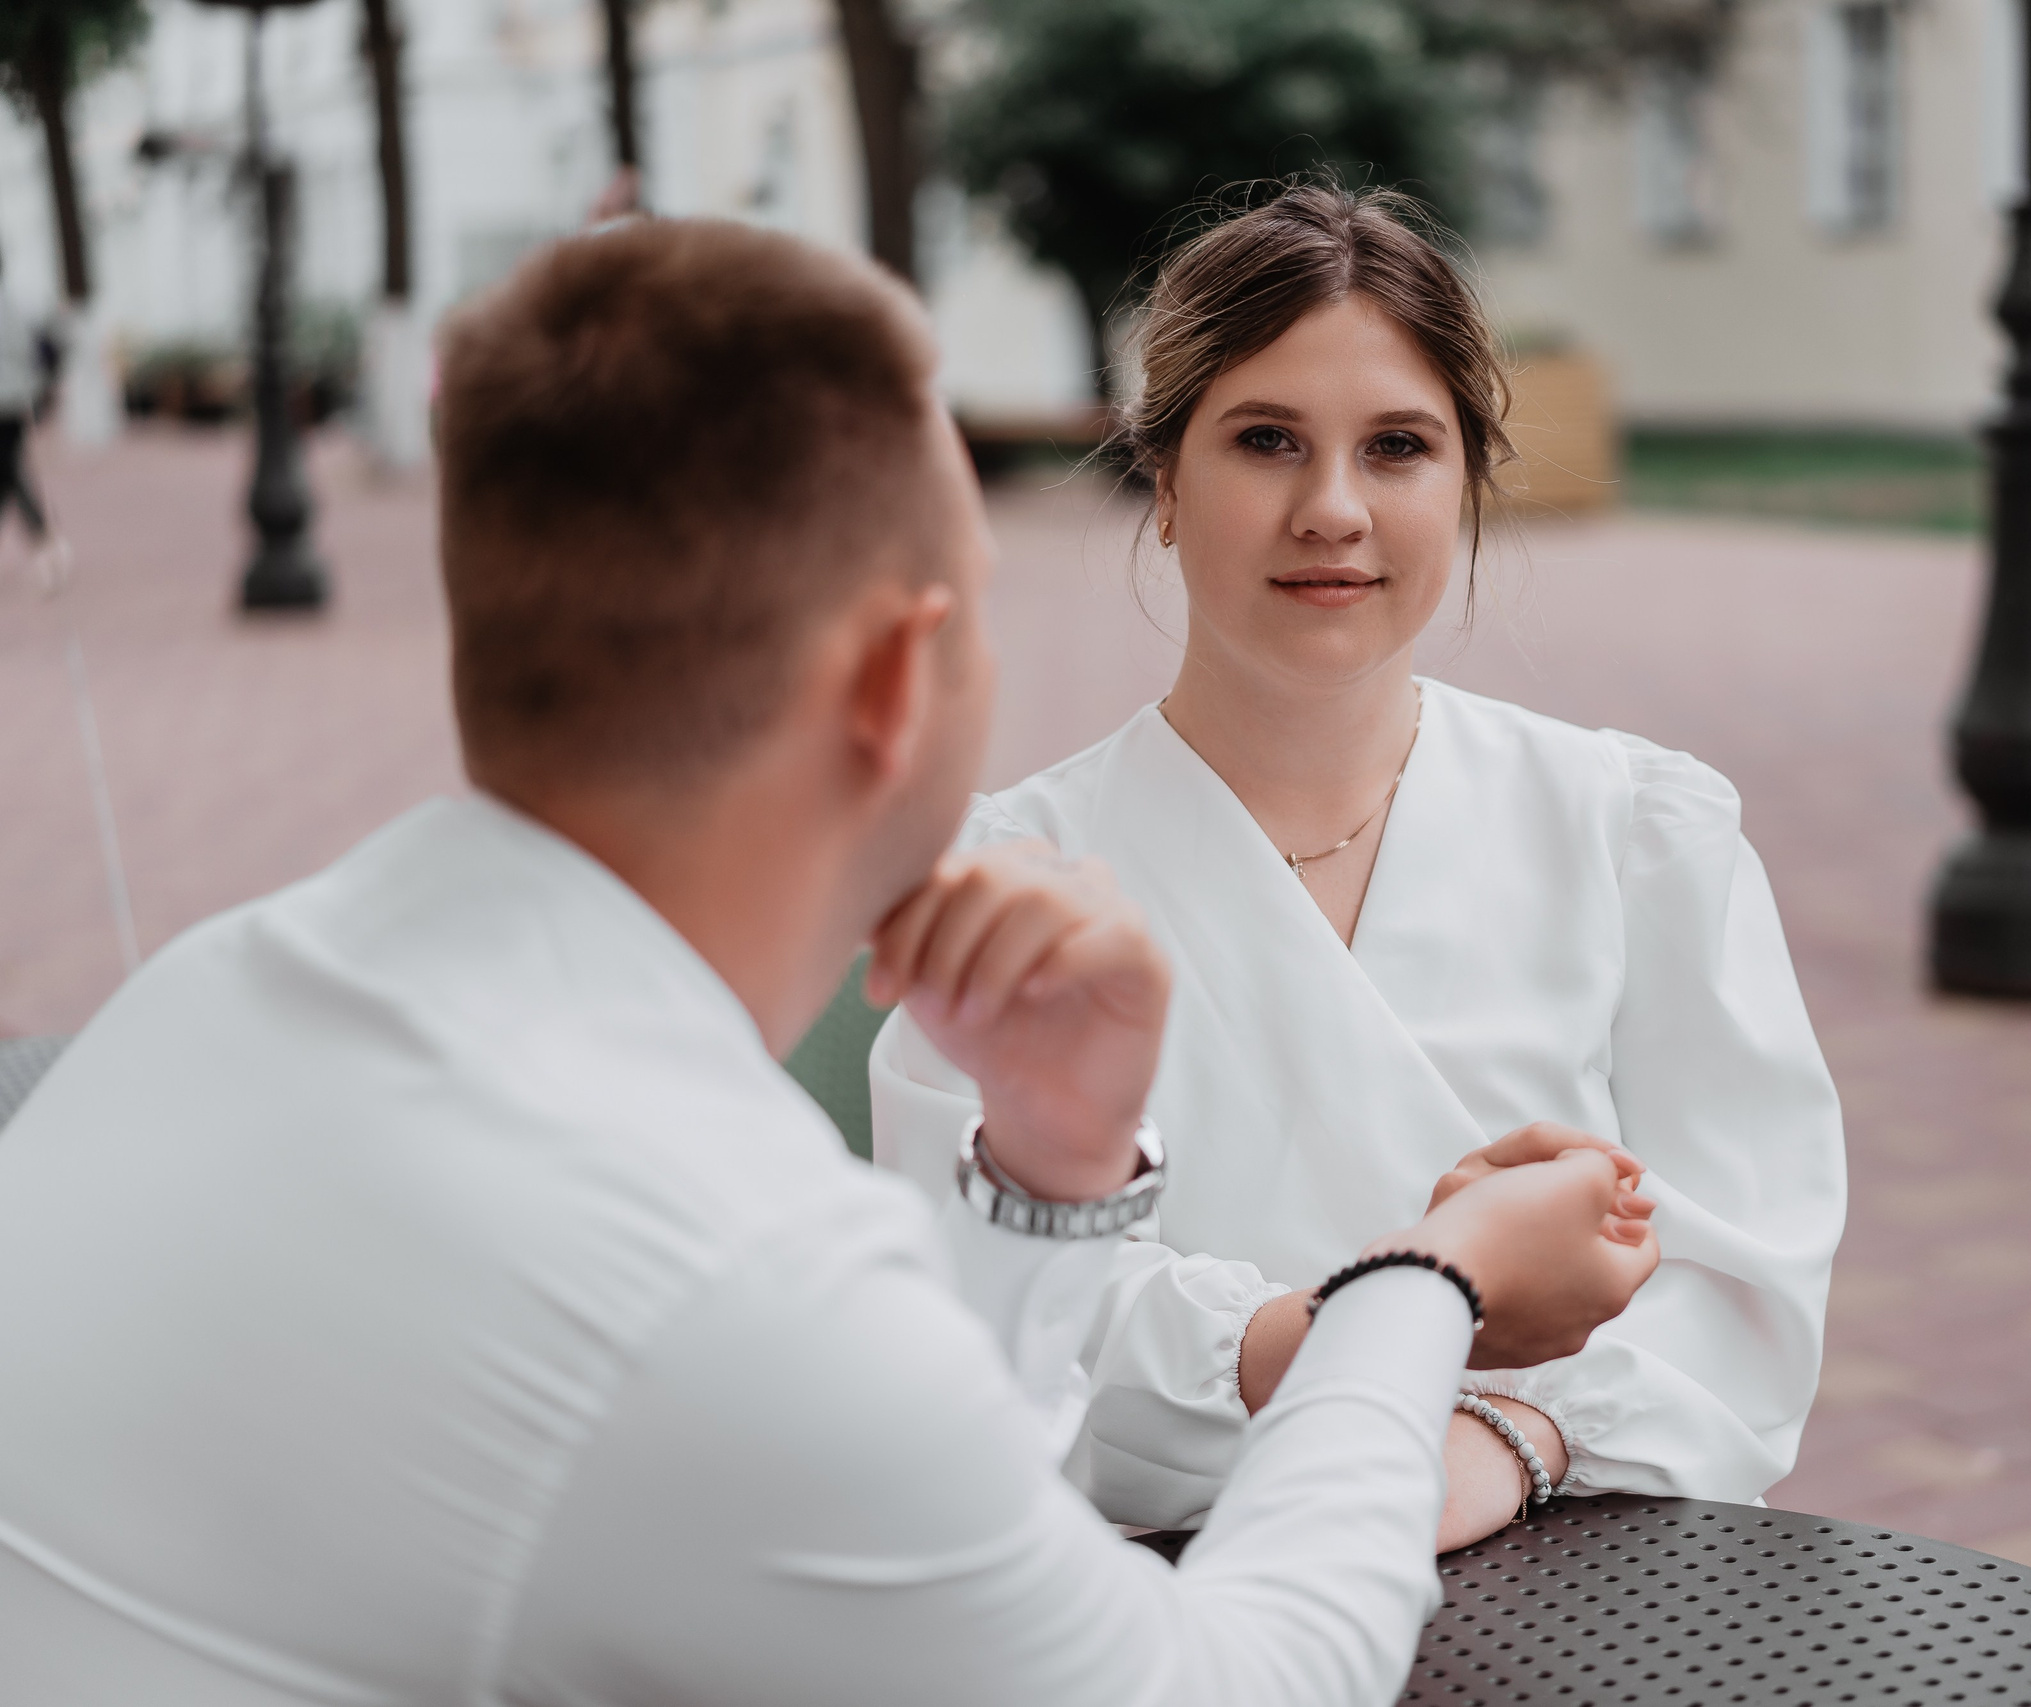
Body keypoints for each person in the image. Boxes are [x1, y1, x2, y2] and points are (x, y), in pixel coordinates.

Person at [0, 219, 1659, 1705]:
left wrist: (1054, 1175)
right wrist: (1428, 1282)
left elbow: (918, 1541)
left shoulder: (210, 993)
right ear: (893, 682)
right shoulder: (704, 1257)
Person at [871, 182, 1847, 1552]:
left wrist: (1513, 1436)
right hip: (1159, 1610)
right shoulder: (1012, 878)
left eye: (1397, 446)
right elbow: (992, 1321)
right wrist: (1390, 1336)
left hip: (1578, 1593)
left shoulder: (1639, 835)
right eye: (1265, 440)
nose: (1333, 508)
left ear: (1467, 482)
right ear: (1163, 481)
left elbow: (1747, 1286)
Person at [0, 255, 69, 593]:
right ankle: (48, 544)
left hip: (5, 404)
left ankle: (47, 544)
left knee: (11, 474)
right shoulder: (17, 303)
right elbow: (46, 348)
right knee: (10, 474)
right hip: (17, 403)